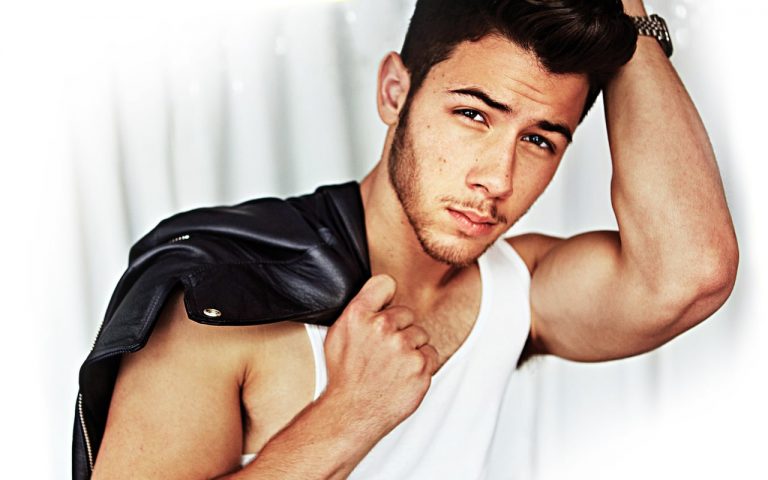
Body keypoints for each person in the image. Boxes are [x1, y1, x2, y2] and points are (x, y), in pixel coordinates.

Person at [84, 0, 738, 478]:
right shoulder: (220, 297)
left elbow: (692, 271)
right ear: (395, 91)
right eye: (473, 114)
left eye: (539, 139)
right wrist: (349, 414)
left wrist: (628, 15)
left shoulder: (514, 290)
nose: (497, 178)